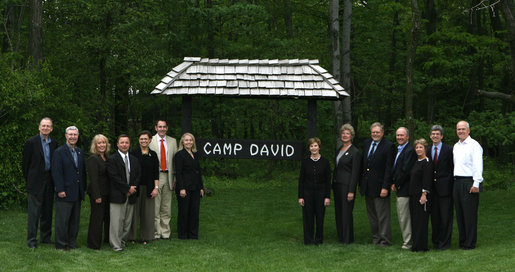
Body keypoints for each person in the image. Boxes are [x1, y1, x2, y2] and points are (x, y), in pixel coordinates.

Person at [22, 117, 58, 249]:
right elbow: (25, 164)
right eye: (43, 125)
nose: (45, 128)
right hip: (35, 181)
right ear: (39, 127)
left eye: (48, 126)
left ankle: (45, 237)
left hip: (49, 180)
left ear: (51, 128)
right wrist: (30, 179)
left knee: (47, 211)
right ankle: (31, 240)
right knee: (34, 213)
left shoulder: (54, 143)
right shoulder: (31, 142)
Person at [52, 126, 87, 250]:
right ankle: (61, 245)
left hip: (77, 192)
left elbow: (82, 172)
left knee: (74, 221)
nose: (73, 137)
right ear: (66, 136)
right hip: (65, 192)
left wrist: (83, 190)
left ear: (78, 136)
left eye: (75, 135)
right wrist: (60, 189)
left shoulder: (79, 151)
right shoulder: (59, 152)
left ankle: (72, 243)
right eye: (70, 134)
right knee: (62, 221)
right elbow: (56, 172)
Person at [360, 122, 395, 246]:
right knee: (372, 216)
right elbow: (363, 164)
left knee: (382, 216)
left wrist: (386, 186)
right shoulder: (366, 143)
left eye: (377, 132)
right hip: (368, 186)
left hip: (380, 187)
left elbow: (388, 168)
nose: (375, 134)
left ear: (382, 133)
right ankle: (376, 238)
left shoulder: (389, 146)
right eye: (373, 132)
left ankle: (385, 240)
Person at [107, 134, 141, 252]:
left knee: (127, 222)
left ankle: (122, 241)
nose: (124, 145)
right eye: (122, 142)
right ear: (117, 144)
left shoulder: (134, 159)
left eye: (126, 142)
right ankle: (116, 245)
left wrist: (132, 189)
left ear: (129, 144)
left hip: (131, 195)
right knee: (117, 222)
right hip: (118, 194)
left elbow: (137, 175)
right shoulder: (112, 159)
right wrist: (126, 189)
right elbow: (114, 177)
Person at [453, 120, 483, 250]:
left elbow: (478, 165)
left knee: (469, 214)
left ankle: (470, 243)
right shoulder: (456, 146)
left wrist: (476, 183)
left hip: (469, 182)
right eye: (458, 129)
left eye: (463, 129)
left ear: (468, 130)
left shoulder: (474, 145)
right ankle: (463, 240)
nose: (460, 131)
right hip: (457, 182)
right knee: (459, 214)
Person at [298, 137, 331, 245]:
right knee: (308, 217)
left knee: (320, 217)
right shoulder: (305, 162)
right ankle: (308, 240)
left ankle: (318, 240)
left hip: (321, 194)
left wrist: (327, 196)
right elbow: (301, 180)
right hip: (307, 194)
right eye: (312, 146)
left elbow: (328, 181)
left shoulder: (325, 162)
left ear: (319, 147)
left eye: (315, 145)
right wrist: (300, 196)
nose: (314, 148)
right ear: (309, 148)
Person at [332, 124, 361, 244]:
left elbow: (355, 173)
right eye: (343, 133)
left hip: (347, 186)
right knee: (339, 212)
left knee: (346, 212)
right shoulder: (339, 149)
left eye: (347, 133)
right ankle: (341, 236)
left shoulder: (355, 152)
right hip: (337, 185)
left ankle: (347, 238)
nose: (345, 135)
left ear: (351, 136)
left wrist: (351, 190)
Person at [129, 131, 159, 244]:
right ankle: (131, 237)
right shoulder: (133, 154)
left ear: (150, 140)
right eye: (141, 139)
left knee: (147, 213)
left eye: (146, 139)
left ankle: (145, 237)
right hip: (135, 187)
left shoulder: (154, 155)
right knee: (134, 213)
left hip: (149, 188)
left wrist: (156, 188)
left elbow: (156, 173)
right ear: (138, 140)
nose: (143, 141)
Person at [149, 120, 177, 240]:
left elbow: (176, 162)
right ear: (156, 128)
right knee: (155, 206)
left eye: (164, 127)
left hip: (169, 176)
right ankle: (156, 232)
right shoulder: (150, 140)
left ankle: (165, 232)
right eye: (159, 127)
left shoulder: (173, 141)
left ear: (167, 128)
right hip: (156, 176)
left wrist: (175, 178)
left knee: (166, 206)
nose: (162, 129)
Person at [427, 125, 454, 250]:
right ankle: (436, 242)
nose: (435, 136)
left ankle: (445, 243)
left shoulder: (449, 150)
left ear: (442, 136)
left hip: (445, 189)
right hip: (432, 190)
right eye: (433, 134)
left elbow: (452, 168)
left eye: (437, 134)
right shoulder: (427, 150)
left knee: (445, 217)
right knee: (435, 217)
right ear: (430, 136)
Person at [174, 133, 205, 239]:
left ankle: (193, 234)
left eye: (190, 140)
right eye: (186, 140)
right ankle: (183, 234)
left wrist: (201, 187)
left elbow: (198, 171)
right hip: (184, 187)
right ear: (182, 142)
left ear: (193, 142)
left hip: (195, 187)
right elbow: (178, 173)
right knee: (184, 211)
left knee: (194, 211)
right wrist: (181, 188)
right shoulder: (179, 155)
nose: (189, 142)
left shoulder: (195, 154)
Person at [390, 127, 416, 249]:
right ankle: (408, 239)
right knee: (403, 215)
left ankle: (408, 242)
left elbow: (406, 171)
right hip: (401, 187)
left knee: (404, 216)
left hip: (405, 188)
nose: (399, 137)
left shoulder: (409, 150)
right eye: (398, 135)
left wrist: (397, 183)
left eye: (402, 135)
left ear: (407, 137)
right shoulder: (399, 149)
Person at [86, 134, 111, 250]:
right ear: (95, 145)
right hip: (98, 194)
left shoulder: (107, 157)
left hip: (108, 193)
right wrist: (97, 196)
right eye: (99, 143)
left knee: (107, 218)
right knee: (97, 219)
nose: (102, 145)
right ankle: (93, 244)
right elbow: (93, 179)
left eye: (104, 142)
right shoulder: (93, 159)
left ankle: (107, 239)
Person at [409, 138, 432, 252]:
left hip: (421, 196)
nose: (418, 149)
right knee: (415, 220)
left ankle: (421, 246)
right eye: (417, 147)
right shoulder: (417, 161)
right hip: (413, 195)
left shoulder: (426, 162)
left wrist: (424, 194)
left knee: (421, 221)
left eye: (420, 147)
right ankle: (416, 244)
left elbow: (427, 180)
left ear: (425, 149)